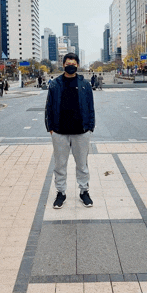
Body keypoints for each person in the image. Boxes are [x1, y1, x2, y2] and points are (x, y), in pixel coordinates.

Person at [45, 53, 95, 209]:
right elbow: (48, 107)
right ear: (63, 65)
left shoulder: (85, 84)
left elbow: (91, 107)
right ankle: (61, 193)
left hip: (81, 131)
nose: (70, 65)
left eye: (73, 63)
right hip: (59, 132)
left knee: (82, 165)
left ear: (78, 65)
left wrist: (90, 127)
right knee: (60, 165)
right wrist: (51, 129)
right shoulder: (55, 84)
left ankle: (84, 191)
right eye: (67, 63)